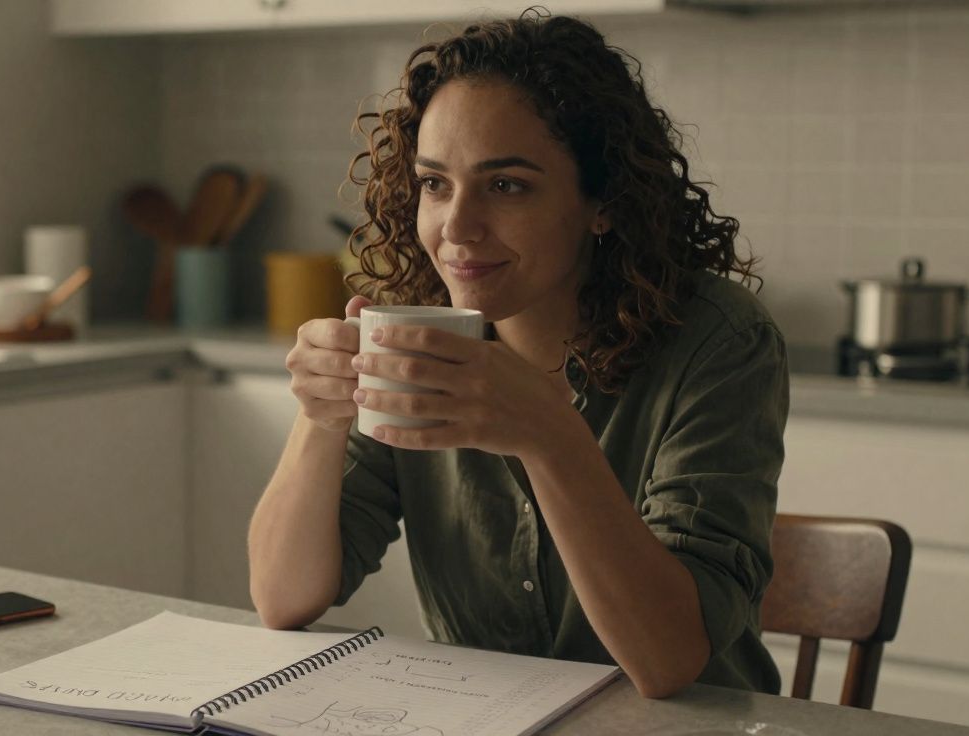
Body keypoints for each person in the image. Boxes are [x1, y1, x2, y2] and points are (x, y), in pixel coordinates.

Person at [247, 10, 787, 699]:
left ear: (603, 201)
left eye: (507, 186)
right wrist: (319, 421)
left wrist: (551, 436)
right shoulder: (420, 340)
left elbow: (670, 661)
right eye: (436, 183)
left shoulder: (719, 341)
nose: (456, 228)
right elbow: (283, 598)